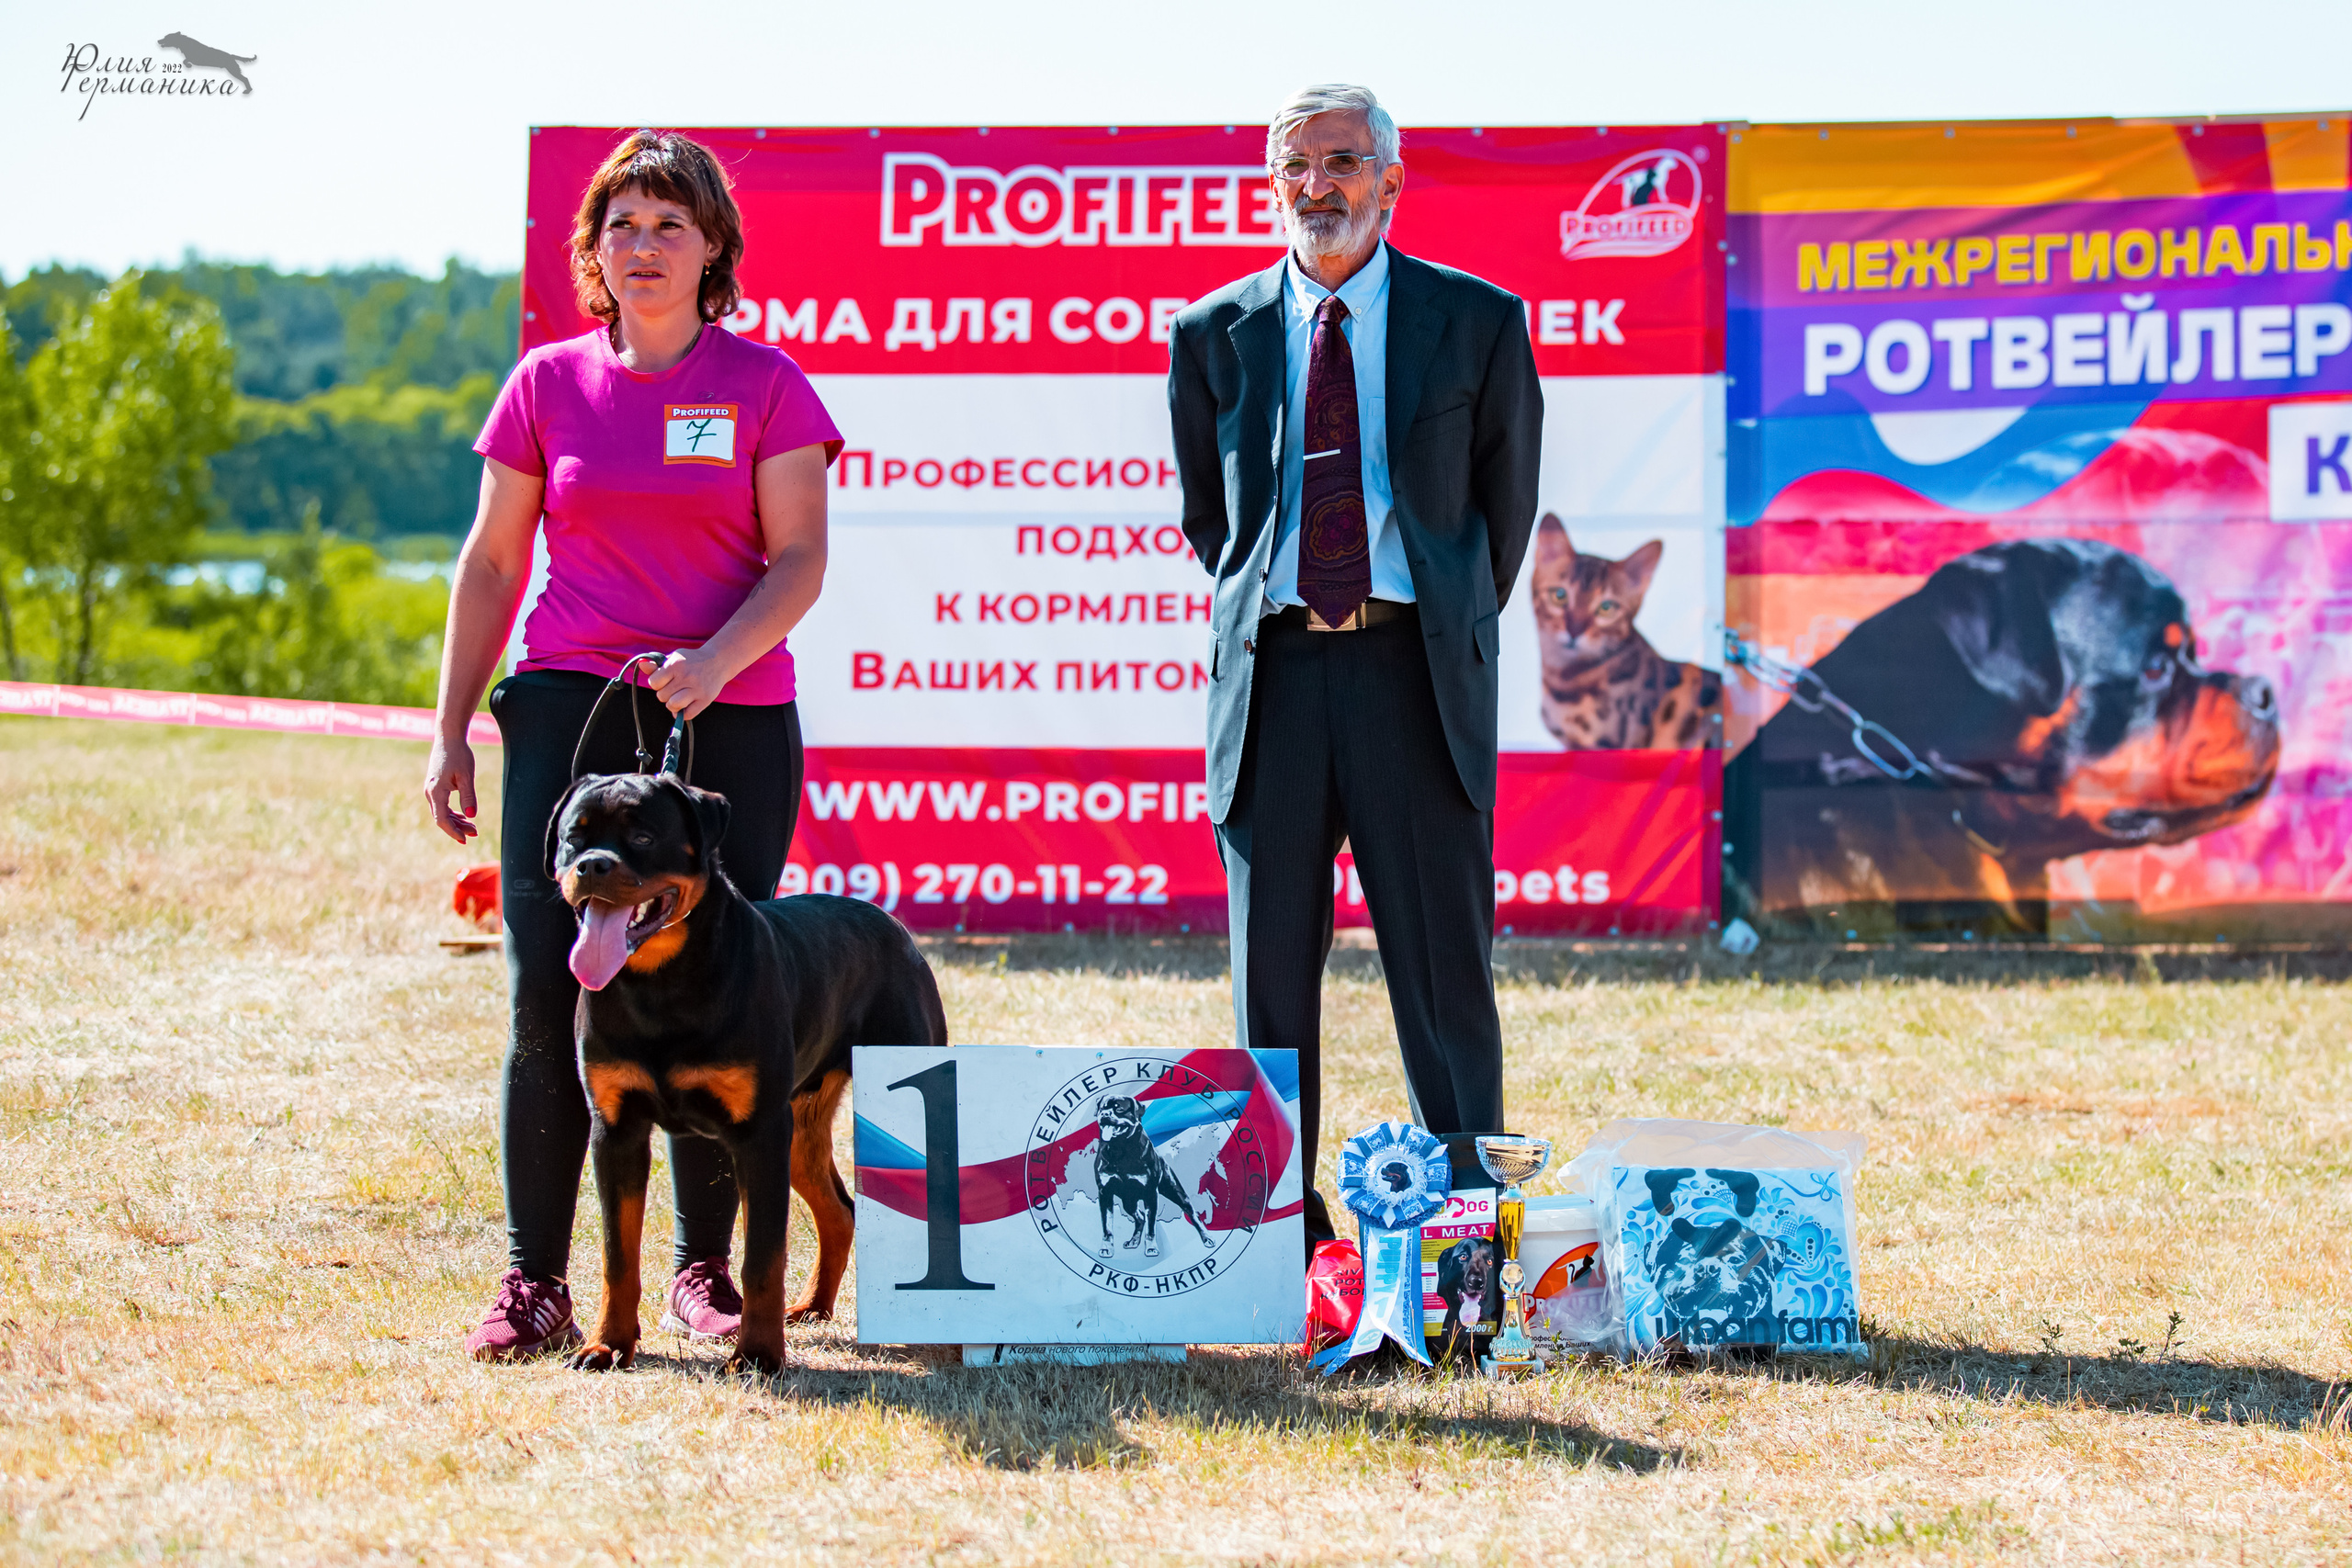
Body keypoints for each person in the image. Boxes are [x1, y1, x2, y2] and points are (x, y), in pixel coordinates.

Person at [422, 130, 841, 1360]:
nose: (643, 245)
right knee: (551, 984)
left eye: (669, 223)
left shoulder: (768, 384)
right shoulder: (546, 384)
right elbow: (494, 559)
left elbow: (802, 557)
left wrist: (713, 661)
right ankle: (536, 1281)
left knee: (727, 987)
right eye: (621, 224)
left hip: (733, 711)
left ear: (715, 247)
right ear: (591, 250)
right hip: (569, 704)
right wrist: (450, 724)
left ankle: (703, 1272)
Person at [1166, 85, 1544, 1256]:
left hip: (1408, 677)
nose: (1316, 186)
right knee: (1268, 974)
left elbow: (1500, 511)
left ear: (1389, 179)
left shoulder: (1475, 321)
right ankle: (1280, 1234)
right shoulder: (1212, 331)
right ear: (1271, 182)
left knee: (1442, 972)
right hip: (1273, 680)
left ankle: (1472, 1238)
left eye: (1341, 162)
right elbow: (1210, 517)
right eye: (1295, 165)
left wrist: (1430, 628)